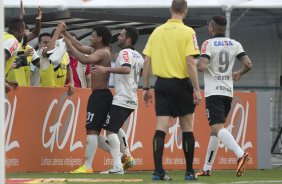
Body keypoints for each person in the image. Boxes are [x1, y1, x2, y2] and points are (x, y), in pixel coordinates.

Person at [142, 0, 202, 181]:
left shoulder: (157, 32)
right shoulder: (188, 32)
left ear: (170, 9)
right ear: (186, 11)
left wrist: (145, 87)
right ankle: (189, 172)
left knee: (161, 127)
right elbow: (190, 62)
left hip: (161, 84)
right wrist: (197, 89)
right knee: (187, 128)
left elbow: (146, 62)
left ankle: (158, 172)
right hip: (182, 84)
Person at [196, 15, 253, 177]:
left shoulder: (208, 44)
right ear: (224, 28)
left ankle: (241, 154)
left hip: (214, 93)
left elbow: (201, 66)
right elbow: (248, 64)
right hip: (228, 93)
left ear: (212, 28)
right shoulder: (235, 44)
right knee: (215, 131)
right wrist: (238, 73)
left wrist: (194, 62)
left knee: (217, 128)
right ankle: (207, 168)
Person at [93, 26, 144, 174]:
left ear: (128, 39)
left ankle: (117, 166)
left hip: (123, 97)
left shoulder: (124, 53)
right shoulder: (138, 55)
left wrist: (106, 69)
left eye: (121, 35)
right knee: (113, 126)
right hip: (131, 97)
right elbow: (139, 71)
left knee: (109, 131)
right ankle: (126, 156)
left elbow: (127, 69)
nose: (118, 38)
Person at [63, 25, 113, 173]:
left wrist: (70, 46)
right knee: (95, 133)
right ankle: (120, 156)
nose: (90, 38)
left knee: (92, 131)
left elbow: (84, 60)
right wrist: (65, 32)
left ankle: (87, 166)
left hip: (101, 96)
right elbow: (79, 45)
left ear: (99, 38)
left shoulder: (103, 52)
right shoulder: (96, 50)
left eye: (92, 35)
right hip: (99, 95)